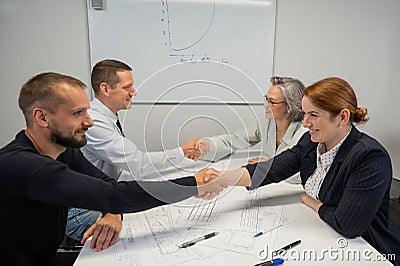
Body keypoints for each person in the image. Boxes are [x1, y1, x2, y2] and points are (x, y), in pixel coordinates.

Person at [0, 72, 223, 266]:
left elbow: (109, 188)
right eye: (78, 113)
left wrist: (113, 213)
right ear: (42, 117)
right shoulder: (26, 166)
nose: (89, 122)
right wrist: (195, 184)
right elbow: (114, 195)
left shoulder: (64, 151)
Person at [216, 77, 400, 265]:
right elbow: (270, 170)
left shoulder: (369, 157)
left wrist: (313, 203)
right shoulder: (311, 143)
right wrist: (222, 179)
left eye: (313, 115)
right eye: (304, 114)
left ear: (342, 117)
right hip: (329, 238)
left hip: (371, 251)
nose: (305, 123)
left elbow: (348, 225)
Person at [66, 59, 201, 242]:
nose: (133, 92)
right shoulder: (95, 124)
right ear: (105, 89)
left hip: (102, 198)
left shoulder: (106, 118)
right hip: (84, 212)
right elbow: (140, 164)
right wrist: (181, 152)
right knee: (152, 225)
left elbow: (125, 170)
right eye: (127, 87)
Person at [197, 76, 307, 184]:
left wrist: (270, 166)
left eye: (271, 102)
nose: (265, 105)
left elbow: (305, 173)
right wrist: (207, 146)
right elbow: (236, 140)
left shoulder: (305, 133)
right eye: (266, 99)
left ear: (289, 107)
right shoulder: (268, 124)